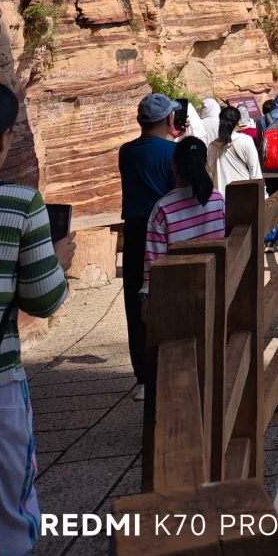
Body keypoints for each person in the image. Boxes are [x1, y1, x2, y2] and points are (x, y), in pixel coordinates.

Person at [0, 82, 68, 556]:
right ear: (1, 141)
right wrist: (59, 258)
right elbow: (44, 298)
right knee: (8, 519)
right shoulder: (19, 205)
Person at [117, 93, 176, 397]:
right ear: (168, 120)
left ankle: (142, 378)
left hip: (136, 230)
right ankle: (168, 366)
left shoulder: (126, 152)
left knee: (135, 301)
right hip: (165, 229)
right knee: (167, 297)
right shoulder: (172, 152)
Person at [142, 137, 225, 297]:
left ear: (173, 165)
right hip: (215, 287)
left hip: (179, 293)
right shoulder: (217, 199)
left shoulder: (163, 208)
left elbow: (154, 262)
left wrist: (147, 296)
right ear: (205, 162)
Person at [207, 106, 262, 195]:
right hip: (243, 195)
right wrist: (262, 195)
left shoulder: (212, 145)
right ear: (239, 121)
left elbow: (210, 173)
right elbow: (255, 171)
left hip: (220, 198)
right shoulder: (246, 140)